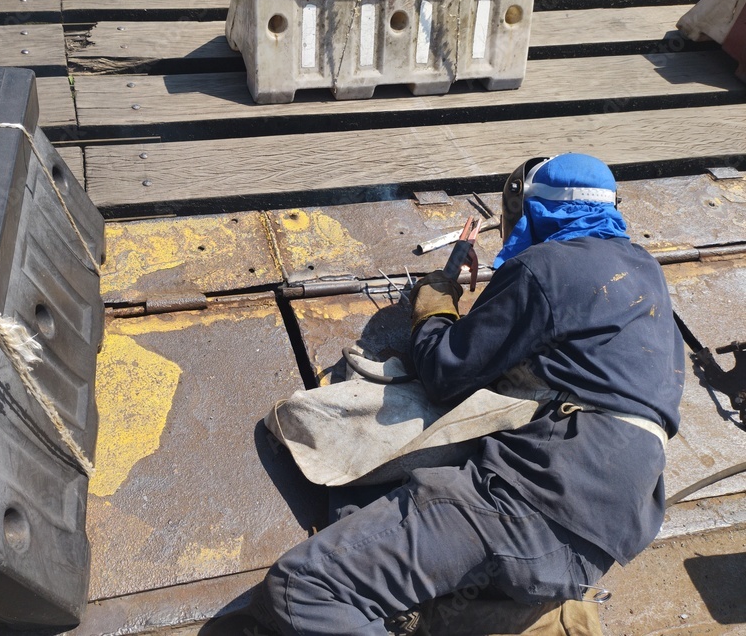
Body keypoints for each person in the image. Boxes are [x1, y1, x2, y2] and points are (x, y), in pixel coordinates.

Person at [239, 153, 683, 635]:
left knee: (302, 588)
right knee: (375, 513)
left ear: (534, 211)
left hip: (537, 499)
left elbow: (445, 371)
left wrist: (436, 300)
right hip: (607, 531)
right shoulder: (645, 268)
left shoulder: (546, 266)